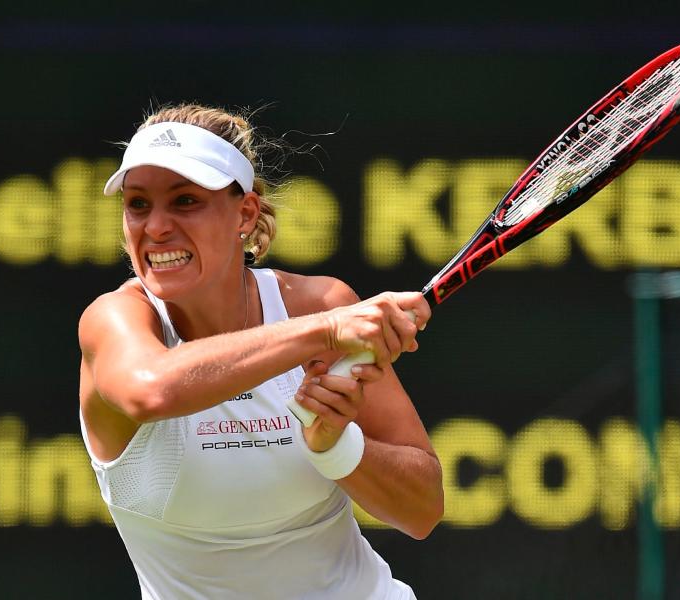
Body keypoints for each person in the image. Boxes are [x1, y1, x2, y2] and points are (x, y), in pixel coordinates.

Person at [77, 103, 443, 599]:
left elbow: (422, 510)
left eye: (185, 201)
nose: (156, 226)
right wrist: (327, 331)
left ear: (245, 213)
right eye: (138, 204)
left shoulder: (318, 303)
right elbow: (151, 389)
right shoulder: (112, 321)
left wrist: (337, 445)